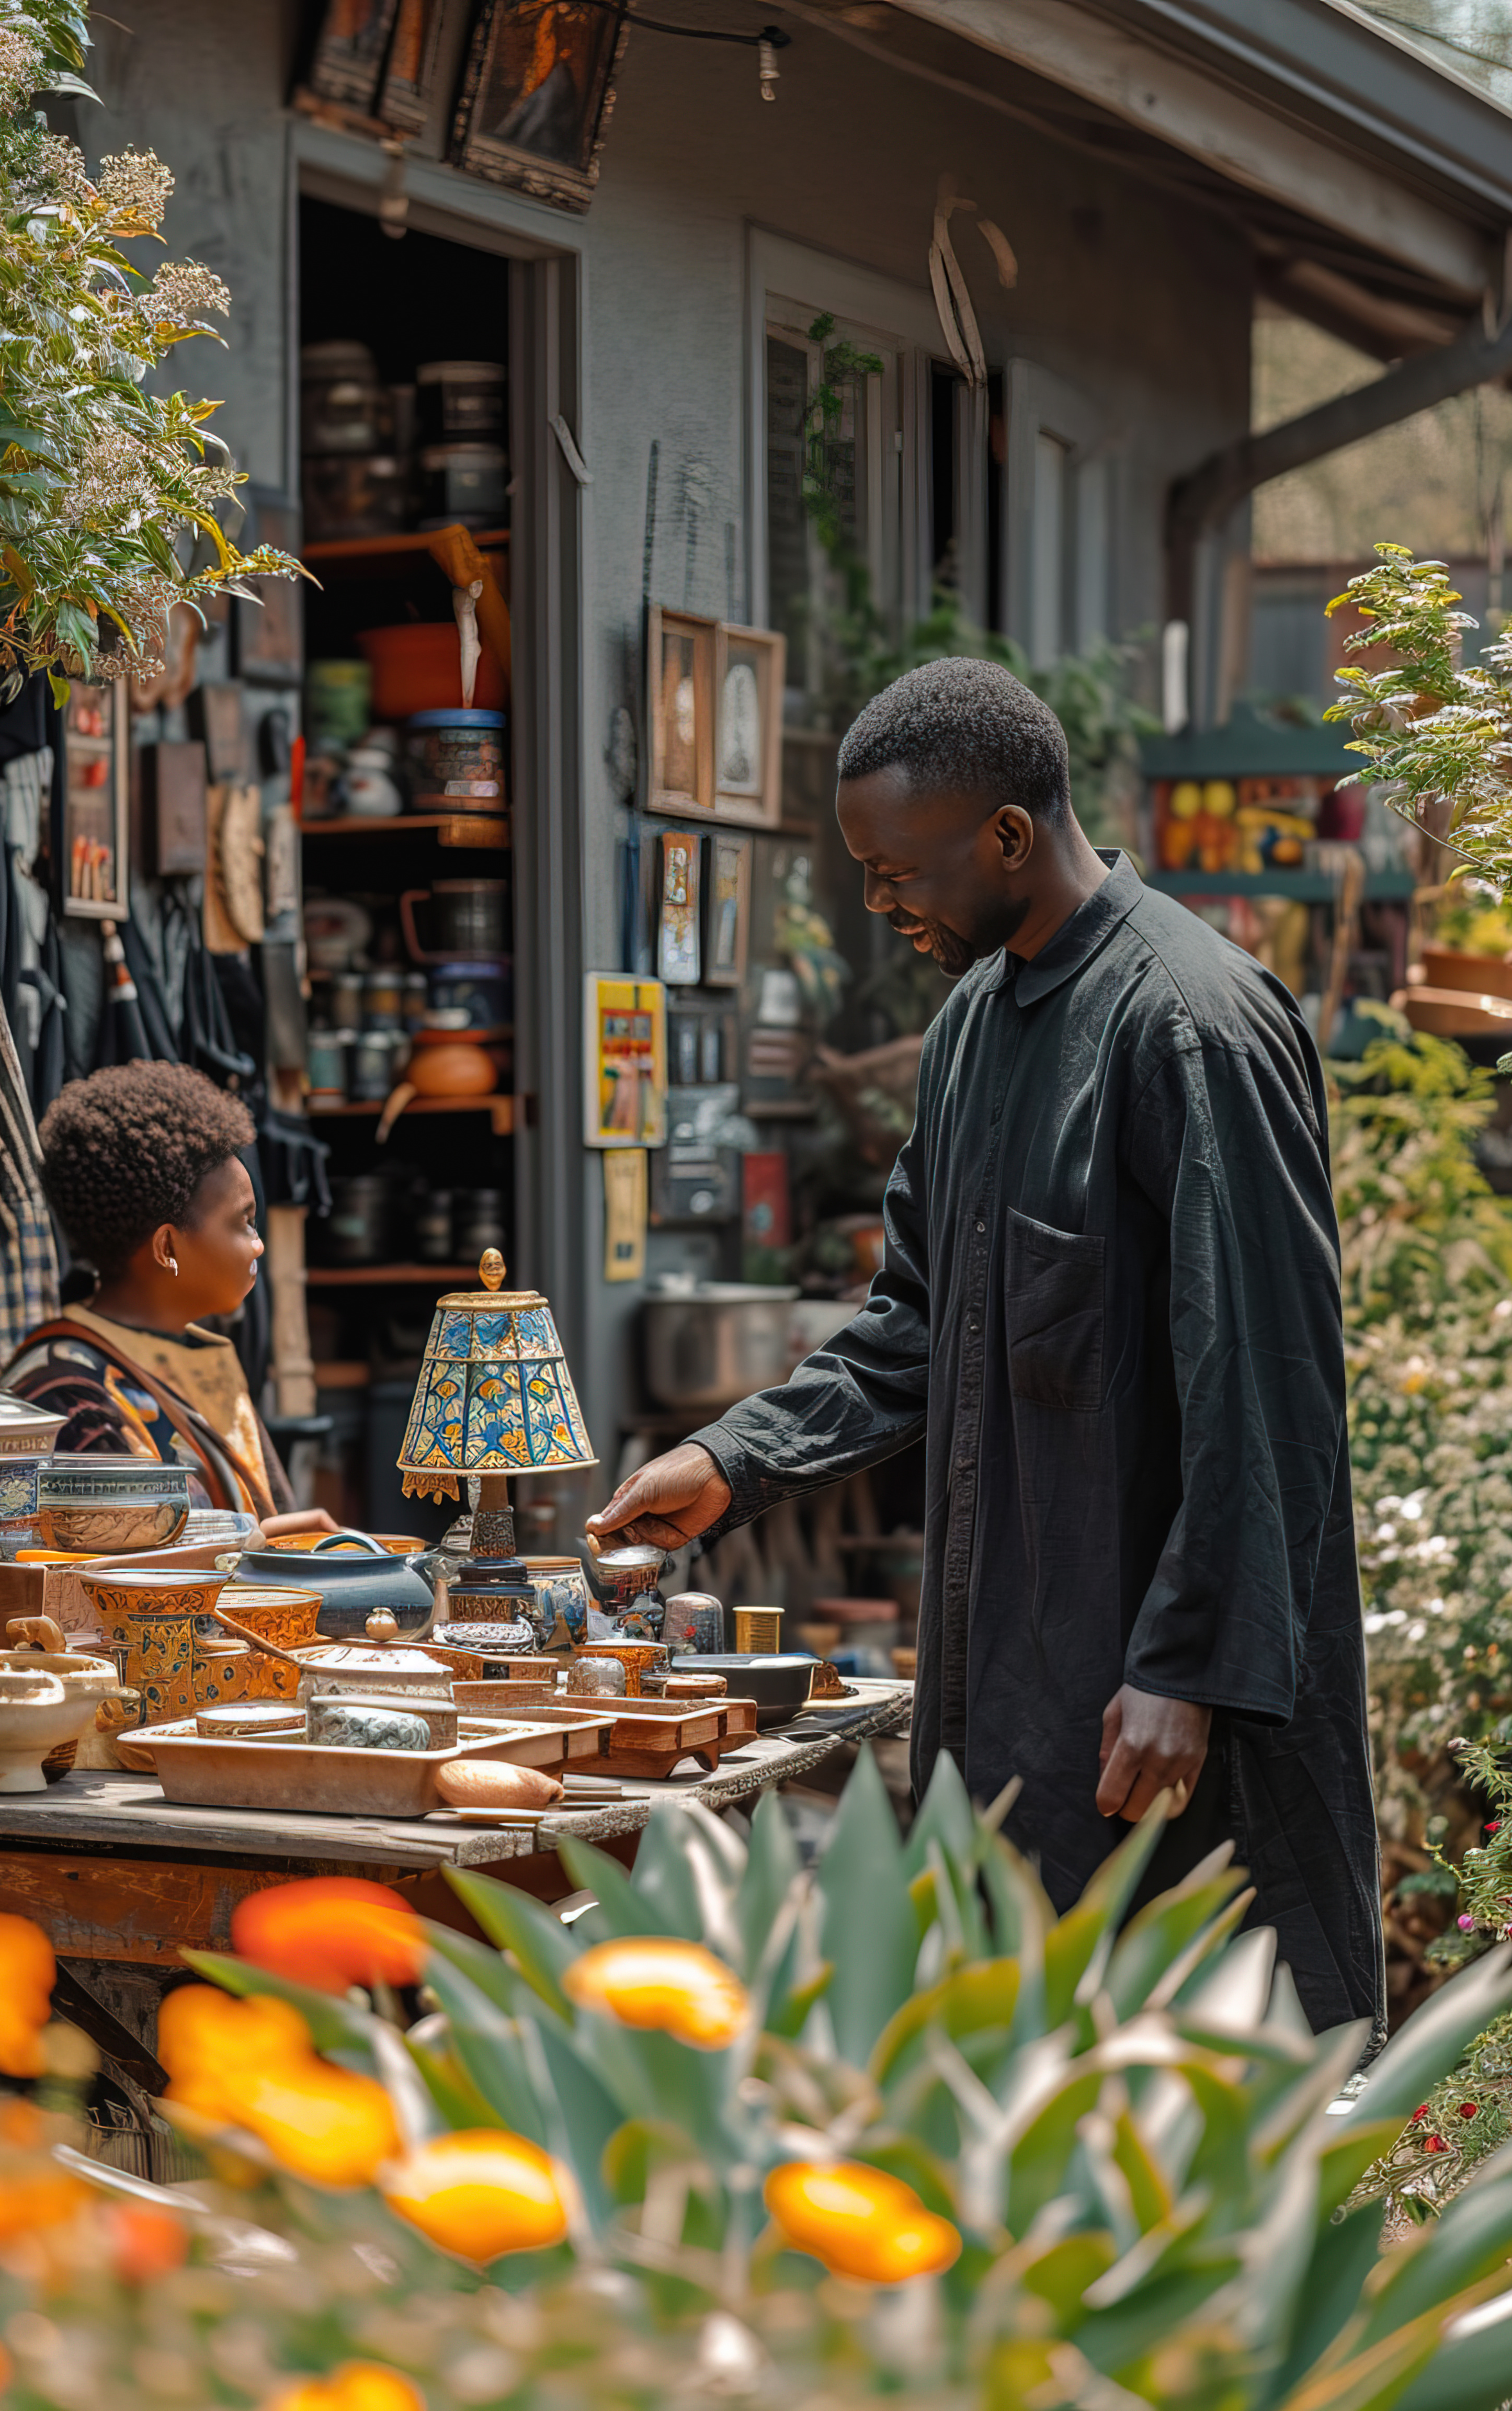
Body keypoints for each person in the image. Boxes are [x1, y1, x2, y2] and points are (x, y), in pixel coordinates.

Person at [590, 655, 1383, 2042]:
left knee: (1207, 2107)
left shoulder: (1192, 1026)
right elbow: (913, 1317)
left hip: (1172, 1715)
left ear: (1008, 837)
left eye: (894, 871)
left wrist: (1186, 1667)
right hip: (1008, 1693)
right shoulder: (971, 1028)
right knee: (1024, 2101)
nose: (878, 903)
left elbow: (1269, 1385)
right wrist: (737, 1458)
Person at [0, 1062, 332, 1538]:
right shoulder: (64, 1391)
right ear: (167, 1249)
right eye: (244, 1222)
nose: (258, 1245)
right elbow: (120, 1561)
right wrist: (263, 1539)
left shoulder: (204, 1353)